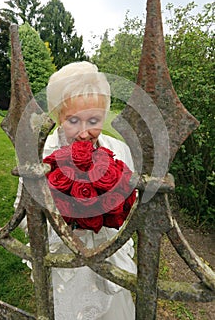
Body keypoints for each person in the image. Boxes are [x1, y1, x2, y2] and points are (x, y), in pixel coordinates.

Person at [17, 61, 137, 319]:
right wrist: (71, 215)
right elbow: (24, 219)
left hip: (109, 264)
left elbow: (132, 212)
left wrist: (110, 210)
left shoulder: (120, 150)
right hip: (64, 270)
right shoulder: (38, 158)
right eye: (73, 120)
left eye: (93, 120)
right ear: (58, 116)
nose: (84, 133)